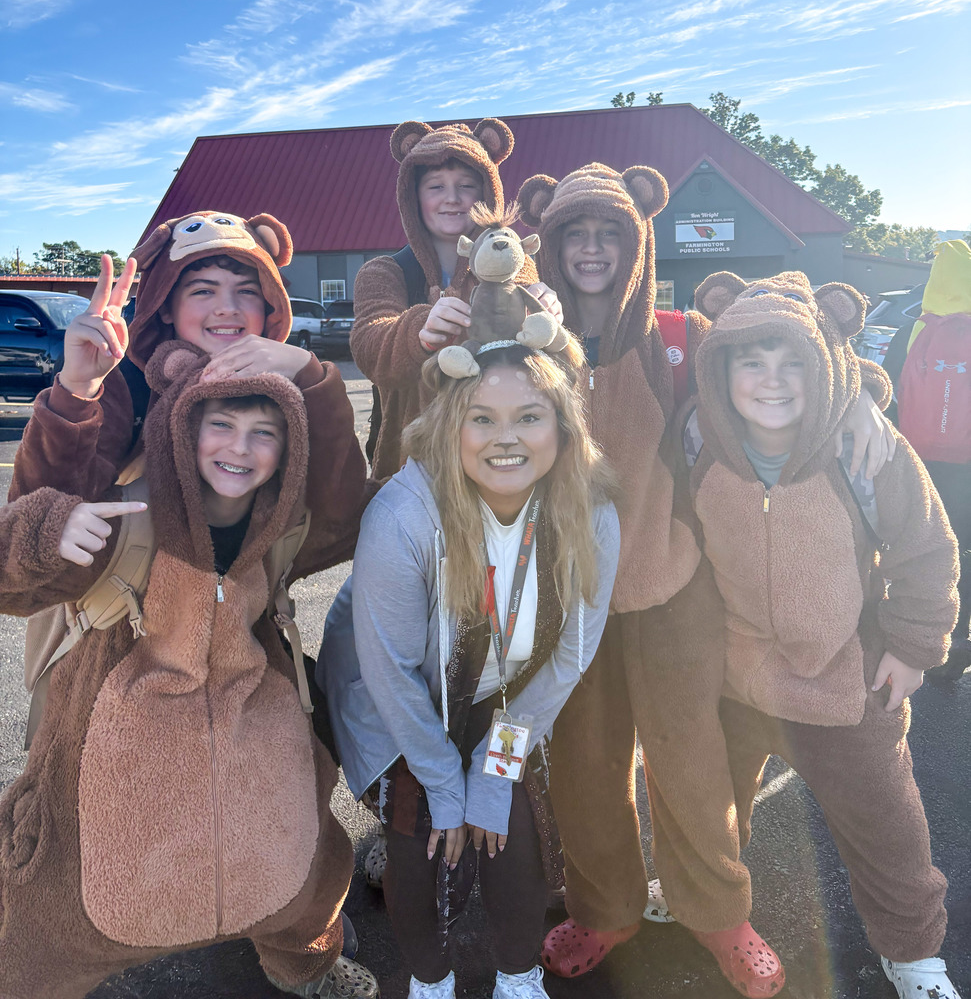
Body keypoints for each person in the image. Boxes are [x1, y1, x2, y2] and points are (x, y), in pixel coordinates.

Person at [515, 164, 896, 996]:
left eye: (609, 232)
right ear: (548, 241)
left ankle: (716, 914)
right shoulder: (520, 339)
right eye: (574, 233)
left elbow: (792, 352)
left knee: (690, 764)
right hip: (567, 599)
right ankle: (605, 907)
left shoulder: (680, 333)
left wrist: (863, 391)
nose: (590, 250)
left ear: (638, 239)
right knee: (583, 767)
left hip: (673, 589)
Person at [0, 341, 377, 999]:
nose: (241, 448)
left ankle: (305, 962)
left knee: (303, 876)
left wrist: (318, 379)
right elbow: (11, 583)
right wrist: (44, 532)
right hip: (114, 746)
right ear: (183, 429)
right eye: (221, 426)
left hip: (250, 730)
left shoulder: (284, 523)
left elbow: (351, 509)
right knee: (49, 921)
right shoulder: (127, 518)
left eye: (264, 432)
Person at [682, 270, 961, 999]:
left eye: (792, 362)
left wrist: (910, 648)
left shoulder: (864, 448)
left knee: (885, 827)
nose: (771, 381)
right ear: (722, 365)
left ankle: (912, 952)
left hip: (843, 680)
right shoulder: (695, 437)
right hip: (731, 677)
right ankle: (704, 896)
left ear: (822, 364)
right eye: (751, 360)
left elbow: (925, 549)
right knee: (706, 803)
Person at [321, 341, 620, 999]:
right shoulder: (404, 515)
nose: (504, 439)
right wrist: (443, 786)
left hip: (498, 693)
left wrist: (493, 768)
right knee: (421, 828)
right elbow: (391, 673)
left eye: (529, 417)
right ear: (447, 426)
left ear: (562, 425)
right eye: (480, 418)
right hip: (395, 698)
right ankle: (430, 981)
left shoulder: (590, 513)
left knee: (505, 818)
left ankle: (518, 979)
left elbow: (567, 661)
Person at [9, 212, 366, 576]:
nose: (228, 306)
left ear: (270, 304)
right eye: (203, 290)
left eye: (247, 290)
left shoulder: (289, 382)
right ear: (165, 306)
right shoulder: (127, 381)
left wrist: (312, 374)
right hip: (127, 611)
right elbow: (37, 514)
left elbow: (340, 507)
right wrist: (76, 388)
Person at [349, 119, 561, 479]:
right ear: (413, 196)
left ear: (488, 194)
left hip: (499, 465)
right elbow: (369, 346)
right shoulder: (383, 272)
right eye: (436, 186)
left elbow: (539, 358)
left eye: (467, 186)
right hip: (409, 469)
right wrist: (419, 331)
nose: (453, 198)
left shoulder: (516, 263)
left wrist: (548, 314)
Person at [883, 240, 971, 681]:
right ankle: (963, 638)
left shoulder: (915, 329)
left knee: (932, 543)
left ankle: (930, 636)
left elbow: (891, 396)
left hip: (923, 463)